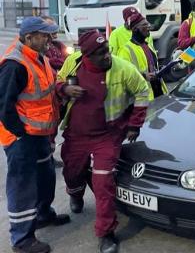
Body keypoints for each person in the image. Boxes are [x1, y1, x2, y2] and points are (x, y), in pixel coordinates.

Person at [57, 30, 149, 253]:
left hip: (107, 136)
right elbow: (58, 81)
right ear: (87, 55)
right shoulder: (73, 62)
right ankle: (75, 193)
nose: (106, 56)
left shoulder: (122, 68)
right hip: (76, 135)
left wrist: (134, 125)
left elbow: (142, 91)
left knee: (103, 184)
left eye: (106, 50)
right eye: (100, 53)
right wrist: (65, 88)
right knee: (72, 172)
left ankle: (106, 232)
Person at [0, 17, 71, 253]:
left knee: (45, 176)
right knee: (23, 185)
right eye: (45, 35)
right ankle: (21, 239)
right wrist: (19, 134)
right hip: (21, 137)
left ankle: (42, 214)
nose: (50, 39)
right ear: (29, 37)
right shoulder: (14, 64)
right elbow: (3, 105)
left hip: (39, 133)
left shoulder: (39, 57)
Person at [117, 13, 168, 101]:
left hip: (159, 94)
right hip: (142, 99)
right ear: (134, 29)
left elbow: (151, 67)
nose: (149, 26)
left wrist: (162, 69)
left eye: (148, 24)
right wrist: (144, 76)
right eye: (144, 24)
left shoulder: (149, 46)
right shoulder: (125, 50)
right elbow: (122, 75)